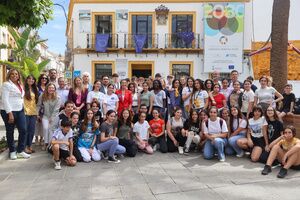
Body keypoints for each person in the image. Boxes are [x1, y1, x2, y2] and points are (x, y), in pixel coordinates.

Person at [0, 69, 30, 160]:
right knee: (10, 131)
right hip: (8, 111)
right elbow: (5, 99)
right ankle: (12, 151)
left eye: (16, 74)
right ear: (9, 75)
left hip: (20, 110)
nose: (14, 75)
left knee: (23, 130)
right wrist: (10, 113)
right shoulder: (6, 85)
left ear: (18, 75)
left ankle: (20, 151)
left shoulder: (20, 85)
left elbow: (20, 98)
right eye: (12, 74)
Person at [37, 83, 60, 151]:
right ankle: (45, 143)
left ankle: (50, 144)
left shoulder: (58, 97)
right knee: (45, 128)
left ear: (55, 89)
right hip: (45, 116)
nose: (51, 89)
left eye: (53, 88)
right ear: (47, 88)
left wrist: (52, 118)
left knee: (51, 130)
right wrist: (37, 113)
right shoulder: (42, 96)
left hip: (54, 116)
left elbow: (56, 109)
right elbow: (38, 105)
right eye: (49, 88)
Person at [24, 75, 39, 154]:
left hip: (33, 112)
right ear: (26, 80)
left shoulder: (35, 89)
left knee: (31, 130)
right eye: (29, 78)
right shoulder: (23, 88)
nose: (31, 80)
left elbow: (35, 102)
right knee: (25, 130)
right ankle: (24, 147)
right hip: (25, 112)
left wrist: (37, 113)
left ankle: (29, 146)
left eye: (33, 79)